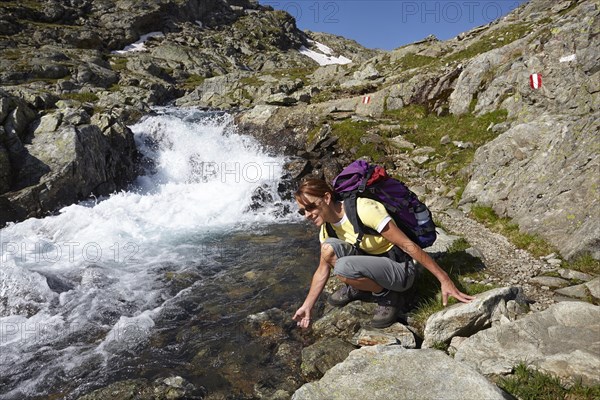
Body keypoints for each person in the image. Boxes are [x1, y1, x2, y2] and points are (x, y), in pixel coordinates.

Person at [292, 178, 474, 329]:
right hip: (372, 263)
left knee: (343, 268)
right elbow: (322, 268)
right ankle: (360, 286)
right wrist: (307, 305)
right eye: (303, 211)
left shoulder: (363, 210)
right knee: (328, 249)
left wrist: (444, 279)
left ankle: (388, 295)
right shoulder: (326, 228)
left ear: (326, 197)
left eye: (311, 207)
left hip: (399, 268)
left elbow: (407, 245)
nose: (307, 214)